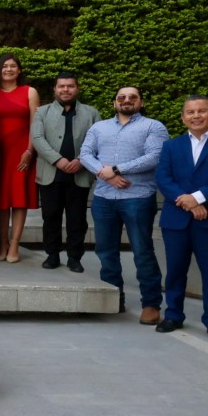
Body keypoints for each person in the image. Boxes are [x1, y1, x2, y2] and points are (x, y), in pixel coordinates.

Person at [154, 96, 208, 344]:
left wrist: (198, 198)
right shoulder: (172, 146)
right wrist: (189, 202)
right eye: (190, 112)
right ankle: (173, 315)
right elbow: (163, 178)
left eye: (201, 111)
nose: (196, 116)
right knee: (175, 271)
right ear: (183, 117)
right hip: (177, 219)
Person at [79, 86, 169, 324]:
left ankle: (150, 304)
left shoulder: (153, 126)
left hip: (138, 197)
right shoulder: (99, 127)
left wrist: (117, 169)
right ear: (114, 103)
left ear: (141, 101)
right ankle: (113, 299)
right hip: (104, 198)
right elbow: (85, 153)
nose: (126, 100)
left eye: (132, 97)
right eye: (121, 97)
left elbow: (154, 157)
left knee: (142, 252)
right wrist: (104, 173)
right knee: (106, 252)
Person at [31, 72, 100, 272]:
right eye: (61, 86)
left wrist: (81, 160)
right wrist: (58, 160)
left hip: (79, 174)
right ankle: (52, 255)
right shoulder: (42, 112)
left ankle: (74, 258)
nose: (66, 90)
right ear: (55, 89)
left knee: (77, 219)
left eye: (70, 86)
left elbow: (97, 141)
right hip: (51, 174)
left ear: (77, 88)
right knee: (50, 216)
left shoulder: (91, 113)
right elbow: (37, 138)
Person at [0, 53, 40, 263]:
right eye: (4, 66)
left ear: (19, 70)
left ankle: (15, 244)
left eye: (12, 66)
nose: (8, 69)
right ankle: (2, 242)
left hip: (22, 153)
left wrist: (29, 152)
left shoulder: (29, 92)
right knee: (0, 200)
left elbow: (35, 125)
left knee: (19, 200)